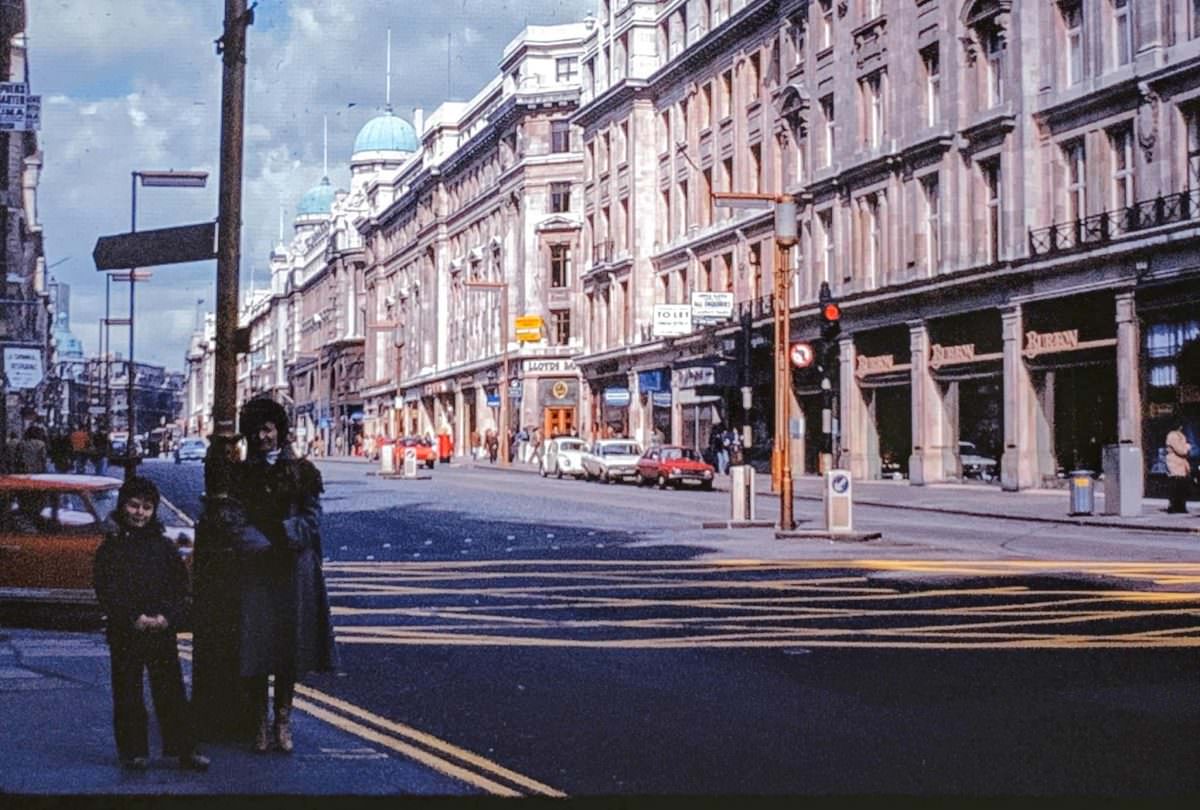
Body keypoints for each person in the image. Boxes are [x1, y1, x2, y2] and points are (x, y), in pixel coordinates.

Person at [234, 397, 338, 754]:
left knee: (287, 653)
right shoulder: (242, 474)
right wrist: (260, 542)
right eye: (256, 431)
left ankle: (282, 721)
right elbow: (233, 520)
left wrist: (286, 534)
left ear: (279, 430)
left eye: (268, 429)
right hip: (258, 570)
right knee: (258, 649)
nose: (263, 436)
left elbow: (313, 518)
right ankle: (259, 724)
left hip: (293, 570)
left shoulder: (303, 472)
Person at [93, 477, 210, 772]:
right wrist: (134, 617)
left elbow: (180, 587)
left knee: (170, 689)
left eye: (147, 507)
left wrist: (166, 617)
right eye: (134, 505)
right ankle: (133, 752)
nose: (140, 513)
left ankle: (184, 749)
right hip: (126, 630)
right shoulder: (110, 547)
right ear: (122, 506)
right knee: (128, 691)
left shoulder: (163, 545)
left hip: (160, 627)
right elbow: (107, 590)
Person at [1165, 417, 1193, 514]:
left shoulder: (1180, 435)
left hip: (1181, 464)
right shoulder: (1172, 435)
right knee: (1175, 486)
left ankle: (1181, 506)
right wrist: (1188, 446)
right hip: (1175, 464)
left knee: (1182, 487)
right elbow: (1181, 450)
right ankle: (1173, 507)